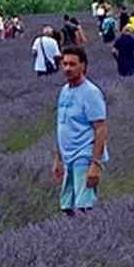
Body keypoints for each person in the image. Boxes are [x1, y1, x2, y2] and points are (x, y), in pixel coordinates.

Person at [52, 46, 108, 216]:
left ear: (82, 66)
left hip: (84, 155)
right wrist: (58, 159)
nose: (68, 68)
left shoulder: (91, 92)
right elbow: (62, 126)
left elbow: (100, 128)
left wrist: (95, 164)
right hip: (68, 156)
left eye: (72, 64)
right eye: (65, 64)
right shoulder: (64, 91)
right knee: (66, 205)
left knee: (84, 207)